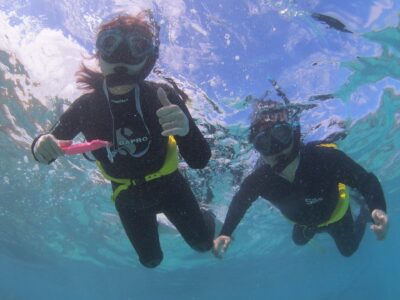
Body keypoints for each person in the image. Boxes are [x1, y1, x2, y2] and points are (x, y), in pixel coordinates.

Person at [31, 11, 215, 268]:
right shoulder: (86, 107)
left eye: (137, 46)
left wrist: (186, 130)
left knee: (204, 244)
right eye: (110, 43)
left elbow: (199, 160)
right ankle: (162, 222)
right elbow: (46, 149)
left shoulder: (162, 96)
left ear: (148, 59)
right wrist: (40, 144)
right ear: (99, 54)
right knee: (151, 261)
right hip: (128, 198)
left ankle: (206, 213)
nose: (122, 58)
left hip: (171, 187)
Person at [213, 99, 388, 258]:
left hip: (337, 215)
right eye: (263, 142)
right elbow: (240, 201)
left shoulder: (324, 158)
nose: (275, 148)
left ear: (295, 133)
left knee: (348, 250)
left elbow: (366, 181)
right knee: (298, 241)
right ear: (257, 149)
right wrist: (226, 232)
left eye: (281, 135)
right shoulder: (260, 179)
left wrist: (376, 207)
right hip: (306, 224)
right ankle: (314, 227)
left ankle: (363, 212)